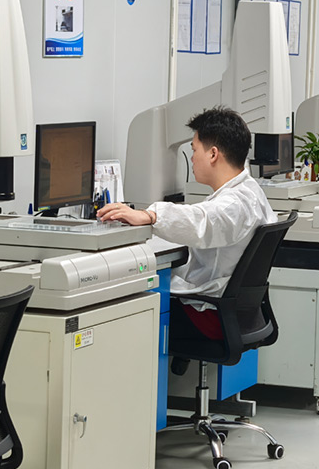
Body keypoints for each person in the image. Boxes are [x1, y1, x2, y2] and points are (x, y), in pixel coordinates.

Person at [97, 106, 277, 346]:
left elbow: (204, 220)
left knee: (123, 308)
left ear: (213, 154)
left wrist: (150, 216)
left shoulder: (234, 204)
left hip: (209, 316)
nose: (192, 158)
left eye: (194, 150)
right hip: (236, 314)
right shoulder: (250, 190)